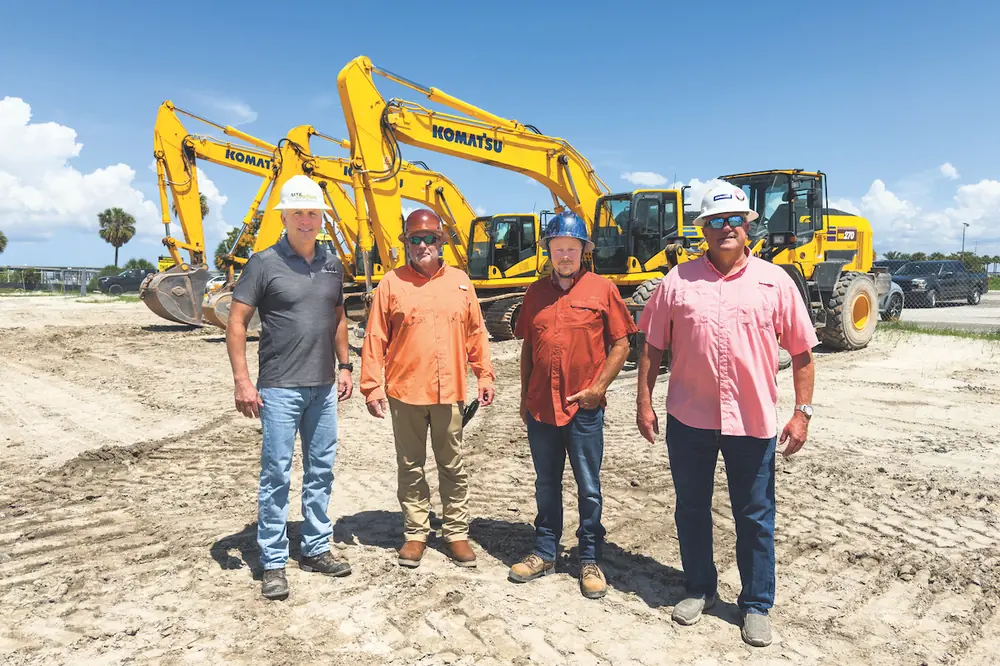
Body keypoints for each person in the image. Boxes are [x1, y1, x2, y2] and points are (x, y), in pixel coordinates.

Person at [635, 182, 819, 647]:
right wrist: (643, 401)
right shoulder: (678, 281)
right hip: (690, 419)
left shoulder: (774, 281)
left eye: (734, 219)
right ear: (703, 230)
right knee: (691, 509)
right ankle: (700, 588)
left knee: (755, 515)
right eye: (715, 221)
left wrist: (802, 413)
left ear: (748, 225)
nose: (725, 228)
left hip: (752, 420)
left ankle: (756, 603)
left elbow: (802, 352)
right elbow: (652, 345)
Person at [226, 175, 355, 601]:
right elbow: (237, 321)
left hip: (323, 388)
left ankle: (316, 547)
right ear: (284, 216)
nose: (306, 219)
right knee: (276, 474)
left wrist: (345, 366)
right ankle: (274, 561)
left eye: (313, 212)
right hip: (279, 388)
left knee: (321, 470)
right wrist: (243, 380)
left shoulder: (333, 264)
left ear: (323, 218)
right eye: (298, 212)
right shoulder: (263, 263)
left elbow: (337, 317)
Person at [508, 212, 638, 599]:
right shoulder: (534, 294)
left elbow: (622, 343)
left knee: (589, 487)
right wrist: (523, 397)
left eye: (572, 248)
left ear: (584, 251)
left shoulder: (602, 289)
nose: (565, 255)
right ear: (548, 251)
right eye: (558, 247)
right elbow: (529, 346)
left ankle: (590, 558)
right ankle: (545, 551)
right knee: (546, 483)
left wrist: (598, 388)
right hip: (541, 408)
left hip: (584, 410)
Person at [360, 208, 495, 569]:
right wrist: (371, 387)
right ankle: (416, 533)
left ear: (441, 242)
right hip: (405, 390)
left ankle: (456, 532)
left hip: (449, 390)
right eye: (415, 240)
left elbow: (476, 334)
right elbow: (375, 337)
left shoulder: (461, 283)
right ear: (407, 244)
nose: (423, 245)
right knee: (411, 464)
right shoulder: (391, 283)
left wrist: (484, 375)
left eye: (429, 239)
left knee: (452, 463)